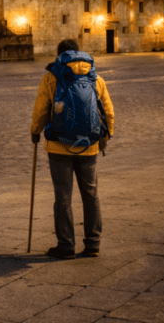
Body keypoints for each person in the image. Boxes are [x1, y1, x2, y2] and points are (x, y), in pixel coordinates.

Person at [30, 38, 115, 259]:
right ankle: (93, 243)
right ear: (79, 54)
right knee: (91, 194)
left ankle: (66, 245)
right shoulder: (95, 78)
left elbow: (41, 109)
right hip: (88, 145)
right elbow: (107, 110)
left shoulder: (50, 78)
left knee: (63, 196)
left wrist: (34, 131)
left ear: (59, 56)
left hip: (58, 146)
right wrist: (106, 135)